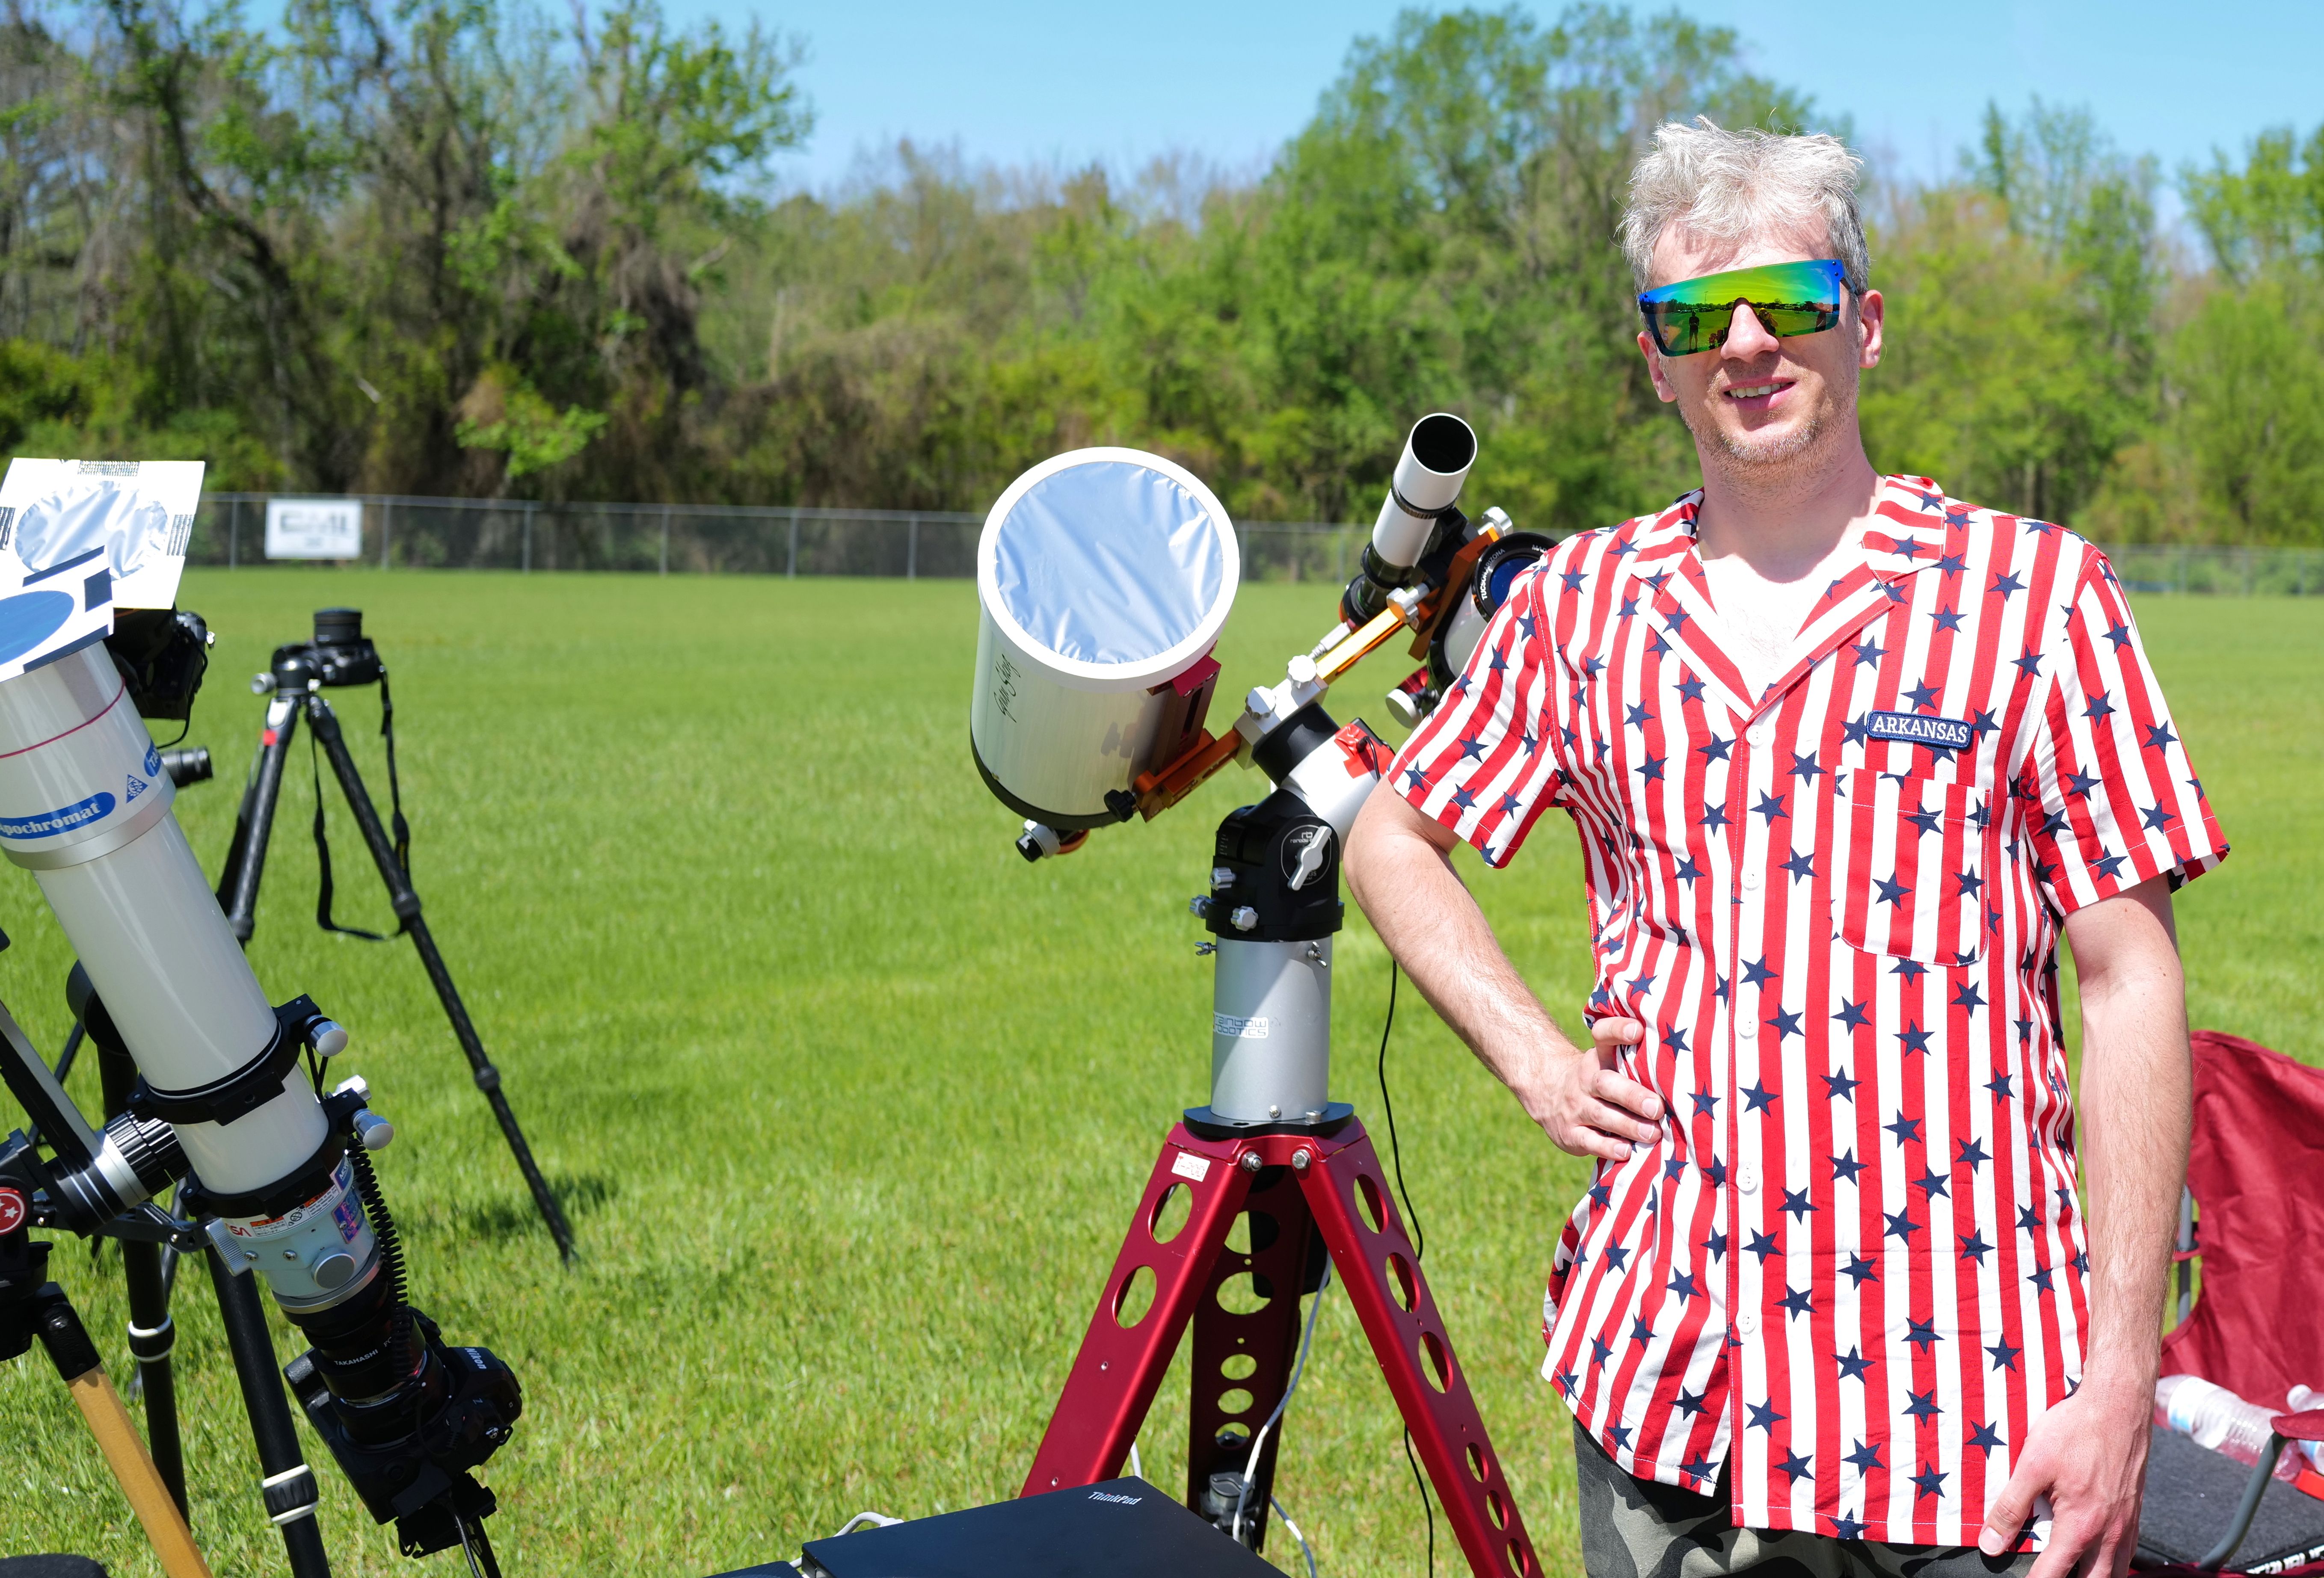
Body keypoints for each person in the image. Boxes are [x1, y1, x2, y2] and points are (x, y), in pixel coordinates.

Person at [1343, 118, 2228, 1578]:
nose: (1747, 345)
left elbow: (2131, 979)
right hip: (1674, 1401)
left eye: (1793, 302)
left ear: (1863, 326)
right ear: (1656, 356)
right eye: (1697, 316)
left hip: (1977, 1415)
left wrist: (2121, 1374)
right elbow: (1395, 833)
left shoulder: (2036, 596)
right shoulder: (1584, 604)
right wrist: (1533, 1057)